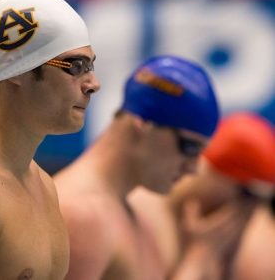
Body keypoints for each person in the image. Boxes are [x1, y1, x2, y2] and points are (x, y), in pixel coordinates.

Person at [0, 0, 100, 280]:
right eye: (75, 66)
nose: (94, 83)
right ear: (17, 71)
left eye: (91, 65)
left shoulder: (43, 185)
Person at [54, 55, 219, 279]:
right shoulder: (83, 215)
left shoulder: (135, 213)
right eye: (189, 147)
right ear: (144, 123)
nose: (193, 169)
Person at [129, 112, 275, 280]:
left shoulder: (248, 247)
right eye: (247, 196)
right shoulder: (145, 213)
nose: (248, 211)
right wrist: (198, 259)